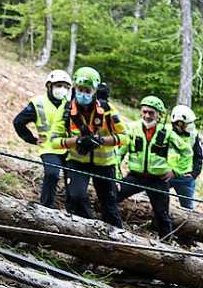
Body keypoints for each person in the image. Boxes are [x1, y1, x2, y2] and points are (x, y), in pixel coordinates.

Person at [53, 66, 127, 227]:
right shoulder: (66, 110)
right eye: (80, 89)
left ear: (95, 91)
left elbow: (124, 138)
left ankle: (117, 240)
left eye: (88, 90)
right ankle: (90, 229)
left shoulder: (107, 110)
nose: (83, 94)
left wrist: (101, 140)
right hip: (77, 161)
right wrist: (77, 141)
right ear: (74, 88)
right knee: (76, 197)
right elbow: (54, 141)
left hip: (104, 164)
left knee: (109, 205)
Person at [116, 95, 177, 237]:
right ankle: (114, 231)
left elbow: (186, 152)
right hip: (135, 177)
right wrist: (116, 176)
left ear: (159, 114)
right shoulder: (132, 128)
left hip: (157, 180)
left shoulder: (167, 132)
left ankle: (167, 245)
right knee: (112, 197)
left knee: (162, 214)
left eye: (151, 113)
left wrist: (175, 171)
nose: (147, 116)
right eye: (144, 112)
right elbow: (119, 153)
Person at [12, 69, 71, 208]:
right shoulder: (37, 103)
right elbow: (18, 122)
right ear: (49, 86)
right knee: (52, 174)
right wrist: (32, 139)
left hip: (68, 146)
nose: (61, 89)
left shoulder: (71, 103)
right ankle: (46, 207)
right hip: (49, 147)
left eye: (65, 86)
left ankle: (72, 211)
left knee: (72, 179)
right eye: (58, 85)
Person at [167, 104, 203, 209]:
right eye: (188, 123)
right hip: (166, 175)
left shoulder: (193, 135)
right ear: (179, 122)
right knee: (149, 199)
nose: (191, 125)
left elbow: (198, 156)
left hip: (185, 177)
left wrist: (194, 174)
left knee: (187, 208)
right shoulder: (165, 133)